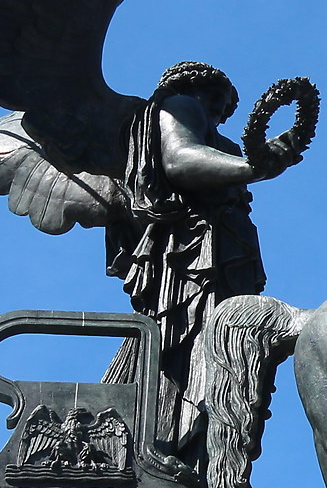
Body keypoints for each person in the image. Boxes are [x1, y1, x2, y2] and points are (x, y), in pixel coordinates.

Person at [106, 61, 301, 462]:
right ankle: (166, 437)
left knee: (208, 347)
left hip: (216, 253)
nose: (218, 119)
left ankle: (179, 438)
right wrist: (252, 166)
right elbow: (180, 159)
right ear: (204, 91)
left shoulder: (192, 119)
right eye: (219, 109)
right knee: (195, 344)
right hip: (195, 258)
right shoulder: (180, 104)